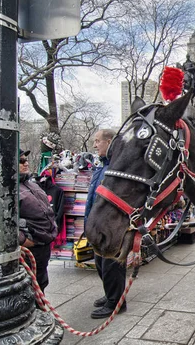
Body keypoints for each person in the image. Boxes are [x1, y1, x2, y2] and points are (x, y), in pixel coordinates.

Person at [85, 129, 128, 319]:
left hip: (112, 227)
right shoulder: (101, 166)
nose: (95, 146)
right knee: (101, 265)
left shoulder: (118, 167)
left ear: (109, 142)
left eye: (97, 141)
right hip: (97, 224)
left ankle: (116, 302)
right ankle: (111, 294)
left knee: (112, 266)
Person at [18, 149, 58, 293]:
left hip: (42, 244)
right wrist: (22, 240)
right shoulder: (7, 189)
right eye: (21, 161)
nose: (26, 163)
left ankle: (39, 310)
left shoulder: (31, 184)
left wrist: (53, 228)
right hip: (30, 247)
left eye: (26, 160)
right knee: (29, 287)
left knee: (40, 283)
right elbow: (2, 222)